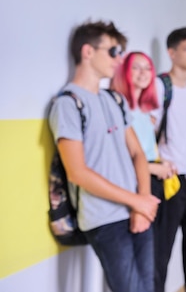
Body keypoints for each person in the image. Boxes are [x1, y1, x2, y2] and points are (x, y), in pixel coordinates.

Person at [48, 20, 161, 292]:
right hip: (104, 218)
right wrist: (137, 201)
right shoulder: (67, 104)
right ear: (87, 52)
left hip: (137, 208)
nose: (119, 58)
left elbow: (137, 153)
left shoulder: (114, 100)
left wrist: (141, 204)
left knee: (150, 287)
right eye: (112, 51)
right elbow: (78, 172)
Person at [110, 51, 178, 283]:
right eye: (136, 67)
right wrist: (155, 168)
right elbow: (124, 159)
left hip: (155, 184)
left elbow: (146, 152)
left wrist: (163, 165)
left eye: (147, 68)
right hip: (138, 187)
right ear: (125, 72)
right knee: (140, 263)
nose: (143, 73)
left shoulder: (145, 111)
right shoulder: (121, 109)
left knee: (156, 257)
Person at [152, 26, 186, 292]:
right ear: (171, 53)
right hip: (171, 178)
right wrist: (157, 164)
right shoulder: (159, 86)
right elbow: (146, 133)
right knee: (161, 250)